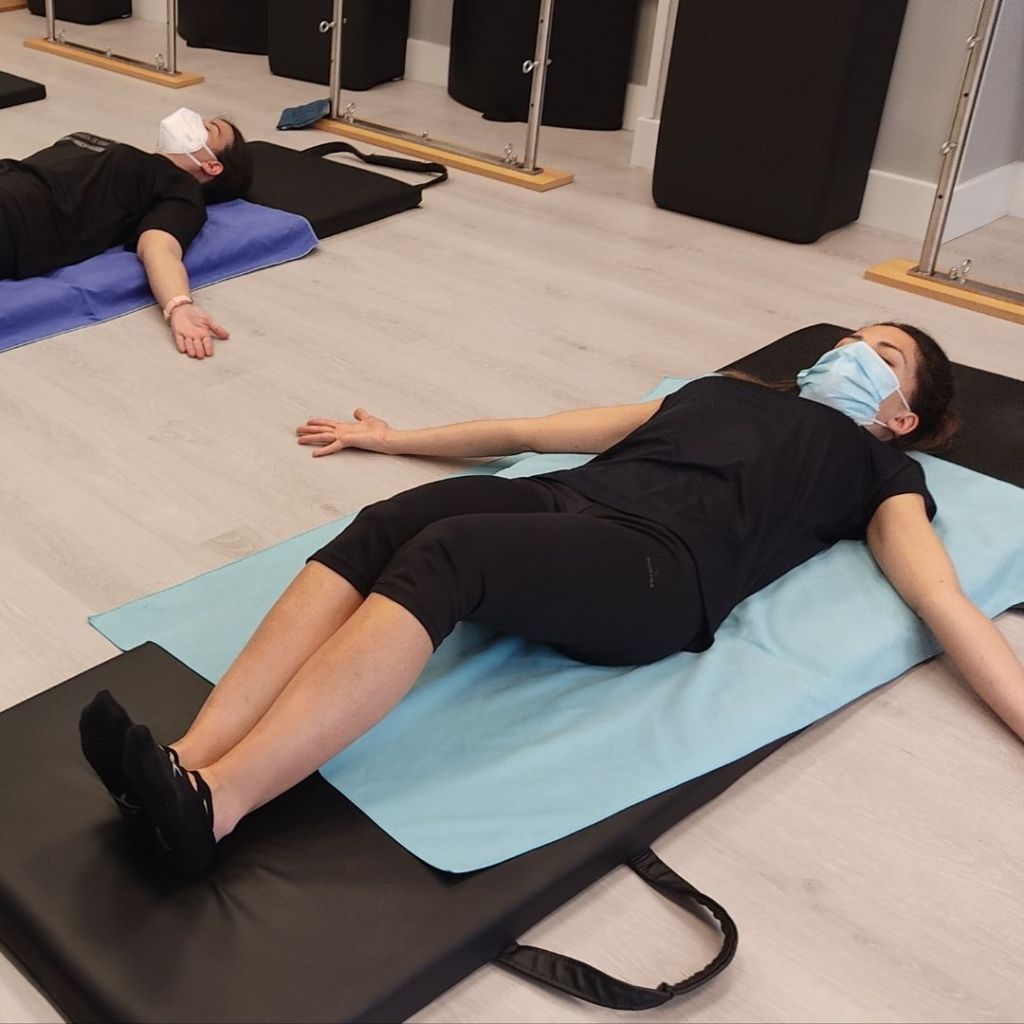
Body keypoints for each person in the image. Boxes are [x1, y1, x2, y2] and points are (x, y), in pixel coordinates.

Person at [79, 322, 1024, 874]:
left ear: (900, 413)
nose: (852, 349)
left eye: (882, 354)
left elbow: (942, 599)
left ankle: (219, 803)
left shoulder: (876, 465)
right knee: (390, 521)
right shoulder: (721, 391)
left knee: (451, 554)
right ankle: (188, 754)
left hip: (661, 568)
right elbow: (540, 430)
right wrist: (395, 439)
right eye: (852, 338)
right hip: (569, 501)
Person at [0, 108, 253, 359]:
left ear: (212, 166)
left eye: (210, 128)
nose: (198, 121)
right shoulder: (114, 150)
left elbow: (160, 248)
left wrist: (179, 305)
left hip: (17, 219)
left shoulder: (182, 189)